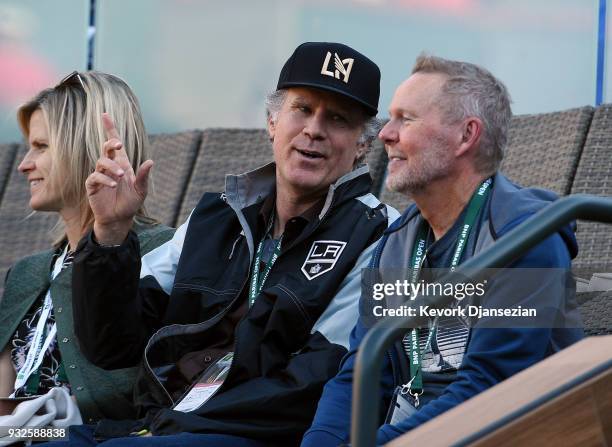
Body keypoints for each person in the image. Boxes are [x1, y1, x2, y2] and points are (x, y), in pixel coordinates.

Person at [65, 42, 399, 446]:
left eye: (339, 119)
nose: (314, 129)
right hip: (160, 427)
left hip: (245, 436)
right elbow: (111, 345)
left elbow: (315, 384)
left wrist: (183, 424)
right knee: (33, 439)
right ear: (273, 121)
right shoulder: (216, 217)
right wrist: (111, 234)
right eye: (303, 109)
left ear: (363, 144)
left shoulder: (379, 235)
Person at [302, 54, 584, 446]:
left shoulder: (525, 236)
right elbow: (359, 374)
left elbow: (489, 390)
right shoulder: (397, 243)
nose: (386, 133)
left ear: (466, 135)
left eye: (407, 118)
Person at [0, 71, 174, 423]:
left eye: (41, 147)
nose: (24, 165)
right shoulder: (27, 273)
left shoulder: (164, 254)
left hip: (84, 437)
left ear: (84, 148)